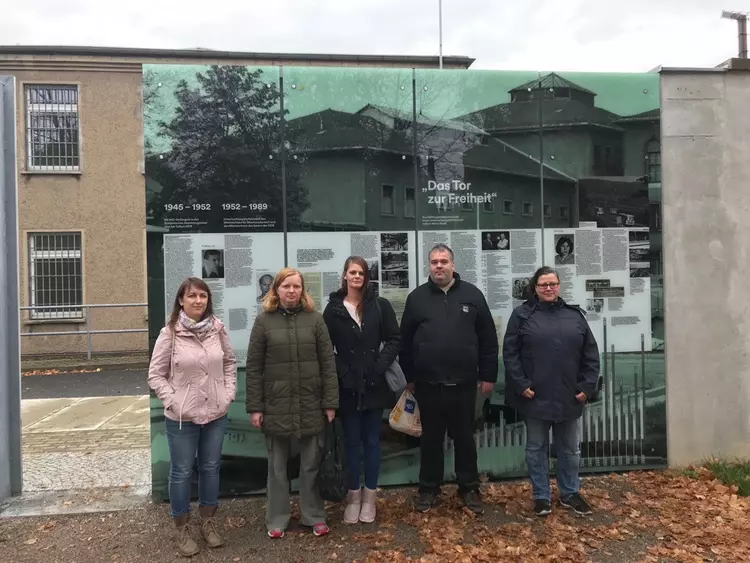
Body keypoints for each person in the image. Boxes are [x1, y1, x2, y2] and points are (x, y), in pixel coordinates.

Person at [400, 243, 498, 515]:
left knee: (465, 439)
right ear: (428, 266)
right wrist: (409, 377)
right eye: (434, 262)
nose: (439, 266)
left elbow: (488, 339)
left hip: (465, 385)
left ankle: (469, 488)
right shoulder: (417, 298)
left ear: (453, 265)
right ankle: (428, 489)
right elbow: (404, 342)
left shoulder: (473, 295)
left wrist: (488, 374)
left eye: (444, 261)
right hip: (428, 385)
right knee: (430, 439)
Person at [245, 268, 339, 539]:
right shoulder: (263, 322)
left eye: (296, 286)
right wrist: (256, 407)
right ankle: (277, 519)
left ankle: (314, 515)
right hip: (276, 404)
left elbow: (328, 365)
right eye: (286, 286)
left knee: (311, 463)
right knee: (277, 468)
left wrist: (330, 403)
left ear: (303, 290)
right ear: (276, 290)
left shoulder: (316, 321)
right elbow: (254, 368)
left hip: (311, 402)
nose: (292, 291)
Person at [147, 277, 236, 557]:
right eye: (193, 296)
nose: (198, 301)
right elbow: (155, 375)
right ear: (181, 301)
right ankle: (182, 526)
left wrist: (228, 393)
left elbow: (230, 363)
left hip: (215, 413)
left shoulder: (217, 330)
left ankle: (208, 522)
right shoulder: (170, 333)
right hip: (182, 417)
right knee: (182, 471)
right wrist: (174, 401)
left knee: (210, 467)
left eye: (203, 296)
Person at [502, 266, 600, 518]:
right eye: (543, 284)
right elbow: (510, 354)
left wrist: (587, 387)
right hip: (535, 396)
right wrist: (521, 384)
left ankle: (570, 493)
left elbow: (591, 355)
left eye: (553, 284)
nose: (548, 288)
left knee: (569, 449)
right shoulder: (522, 315)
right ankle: (541, 496)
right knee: (536, 448)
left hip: (569, 396)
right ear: (535, 288)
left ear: (559, 286)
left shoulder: (575, 316)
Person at [323, 256, 400, 525]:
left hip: (375, 385)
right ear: (344, 275)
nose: (357, 277)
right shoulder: (332, 309)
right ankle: (352, 498)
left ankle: (370, 499)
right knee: (351, 443)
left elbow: (394, 339)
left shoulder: (380, 306)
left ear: (366, 277)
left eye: (361, 273)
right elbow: (325, 348)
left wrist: (379, 367)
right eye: (352, 272)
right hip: (348, 387)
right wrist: (343, 371)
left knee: (372, 442)